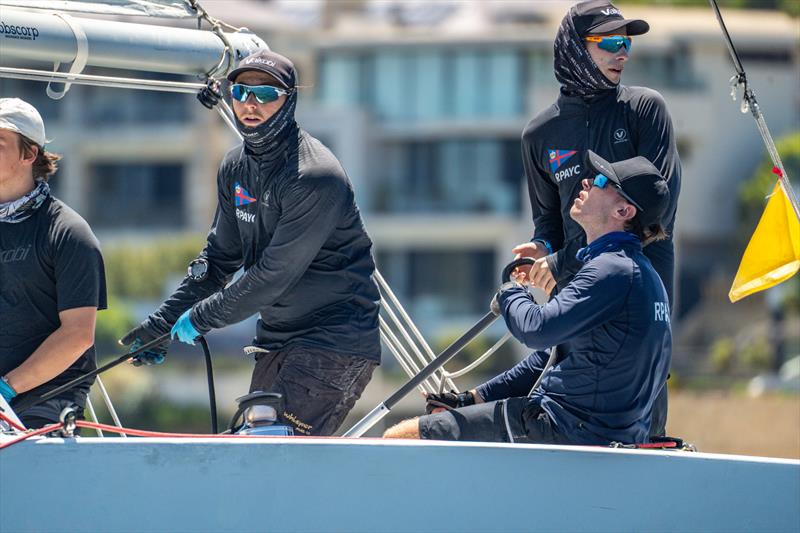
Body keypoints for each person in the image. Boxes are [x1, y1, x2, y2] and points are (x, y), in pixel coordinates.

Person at [120, 50, 381, 436]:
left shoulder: (314, 175)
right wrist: (160, 324)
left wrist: (201, 318)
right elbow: (220, 258)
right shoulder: (234, 166)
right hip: (277, 339)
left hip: (333, 342)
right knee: (251, 455)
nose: (250, 105)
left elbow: (272, 276)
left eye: (265, 93)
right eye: (241, 92)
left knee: (270, 456)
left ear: (289, 98)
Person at [383, 151, 671, 446]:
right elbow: (551, 355)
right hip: (590, 433)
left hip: (562, 427)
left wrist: (510, 292)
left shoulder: (611, 270)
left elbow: (537, 329)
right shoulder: (638, 274)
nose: (586, 182)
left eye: (600, 181)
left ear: (624, 211)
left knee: (400, 438)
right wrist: (470, 398)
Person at [514, 0, 681, 435]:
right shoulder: (539, 134)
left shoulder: (645, 109)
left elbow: (656, 212)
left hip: (641, 290)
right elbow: (548, 224)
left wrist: (560, 261)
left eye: (626, 42)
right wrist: (543, 251)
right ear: (573, 47)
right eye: (609, 42)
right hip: (578, 300)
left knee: (640, 421)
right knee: (563, 414)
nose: (622, 52)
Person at [0, 98, 107, 429]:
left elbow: (78, 336)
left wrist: (5, 389)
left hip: (45, 405)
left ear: (29, 154)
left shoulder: (69, 233)